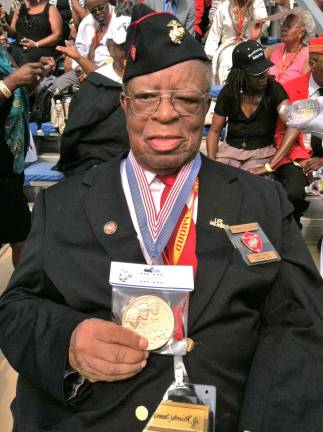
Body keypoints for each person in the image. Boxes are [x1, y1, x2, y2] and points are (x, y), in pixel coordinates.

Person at [0, 4, 323, 432]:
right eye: (148, 97)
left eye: (187, 99)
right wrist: (68, 341)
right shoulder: (61, 204)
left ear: (206, 104)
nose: (166, 113)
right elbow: (16, 310)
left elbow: (302, 321)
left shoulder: (260, 200)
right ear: (124, 103)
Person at [207, 40, 310, 226]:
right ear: (242, 74)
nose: (264, 76)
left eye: (265, 70)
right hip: (230, 153)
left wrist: (270, 166)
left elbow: (294, 124)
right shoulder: (229, 93)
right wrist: (213, 163)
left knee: (253, 195)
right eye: (257, 73)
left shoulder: (274, 89)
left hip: (262, 153)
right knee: (218, 193)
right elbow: (214, 131)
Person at [56, 14, 131, 175]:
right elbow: (76, 134)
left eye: (132, 44)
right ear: (111, 47)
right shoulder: (96, 84)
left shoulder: (151, 80)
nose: (128, 51)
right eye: (122, 45)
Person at [0, 44, 44, 267]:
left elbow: (16, 92)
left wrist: (32, 77)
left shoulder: (2, 51)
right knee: (21, 238)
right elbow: (9, 85)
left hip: (8, 163)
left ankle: (21, 294)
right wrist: (13, 81)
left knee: (20, 235)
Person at [204, 0, 268, 83]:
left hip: (251, 45)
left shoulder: (257, 5)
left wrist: (252, 5)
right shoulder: (224, 7)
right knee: (227, 62)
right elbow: (214, 36)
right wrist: (211, 58)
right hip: (227, 49)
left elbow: (265, 22)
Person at [252, 9, 316, 85]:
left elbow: (305, 88)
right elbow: (251, 62)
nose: (283, 29)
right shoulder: (275, 49)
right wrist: (253, 39)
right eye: (283, 25)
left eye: (289, 26)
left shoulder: (308, 56)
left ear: (302, 32)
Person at [8, 0, 63, 65]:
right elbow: (12, 33)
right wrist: (4, 23)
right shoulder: (20, 9)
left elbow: (57, 35)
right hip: (19, 47)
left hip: (41, 48)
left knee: (25, 59)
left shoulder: (50, 9)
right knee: (5, 55)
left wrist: (36, 44)